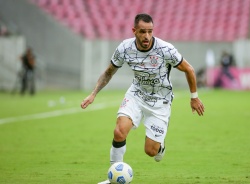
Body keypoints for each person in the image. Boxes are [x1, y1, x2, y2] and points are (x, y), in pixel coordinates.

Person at [80, 13, 205, 184]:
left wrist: (194, 97)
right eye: (142, 32)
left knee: (151, 151)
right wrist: (93, 93)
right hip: (136, 95)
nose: (147, 36)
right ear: (134, 31)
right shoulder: (125, 48)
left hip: (160, 102)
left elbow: (189, 69)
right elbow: (109, 72)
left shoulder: (165, 49)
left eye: (150, 32)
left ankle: (160, 146)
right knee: (119, 131)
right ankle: (113, 176)